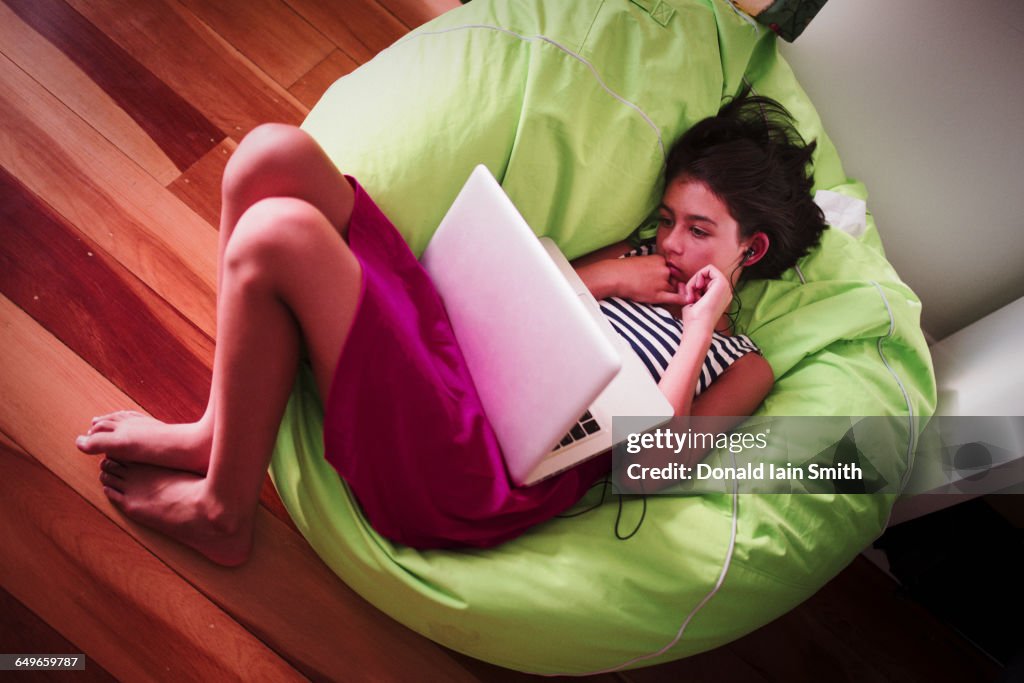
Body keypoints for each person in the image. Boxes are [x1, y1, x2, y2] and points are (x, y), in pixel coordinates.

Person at [75, 88, 826, 564]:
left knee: (278, 236)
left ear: (749, 251)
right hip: (456, 356)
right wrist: (607, 275)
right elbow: (515, 286)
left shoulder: (740, 359)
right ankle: (219, 429)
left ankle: (223, 507)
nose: (670, 243)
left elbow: (656, 467)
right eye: (667, 219)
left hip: (476, 469)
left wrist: (696, 331)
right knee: (272, 156)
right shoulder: (635, 258)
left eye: (699, 230)